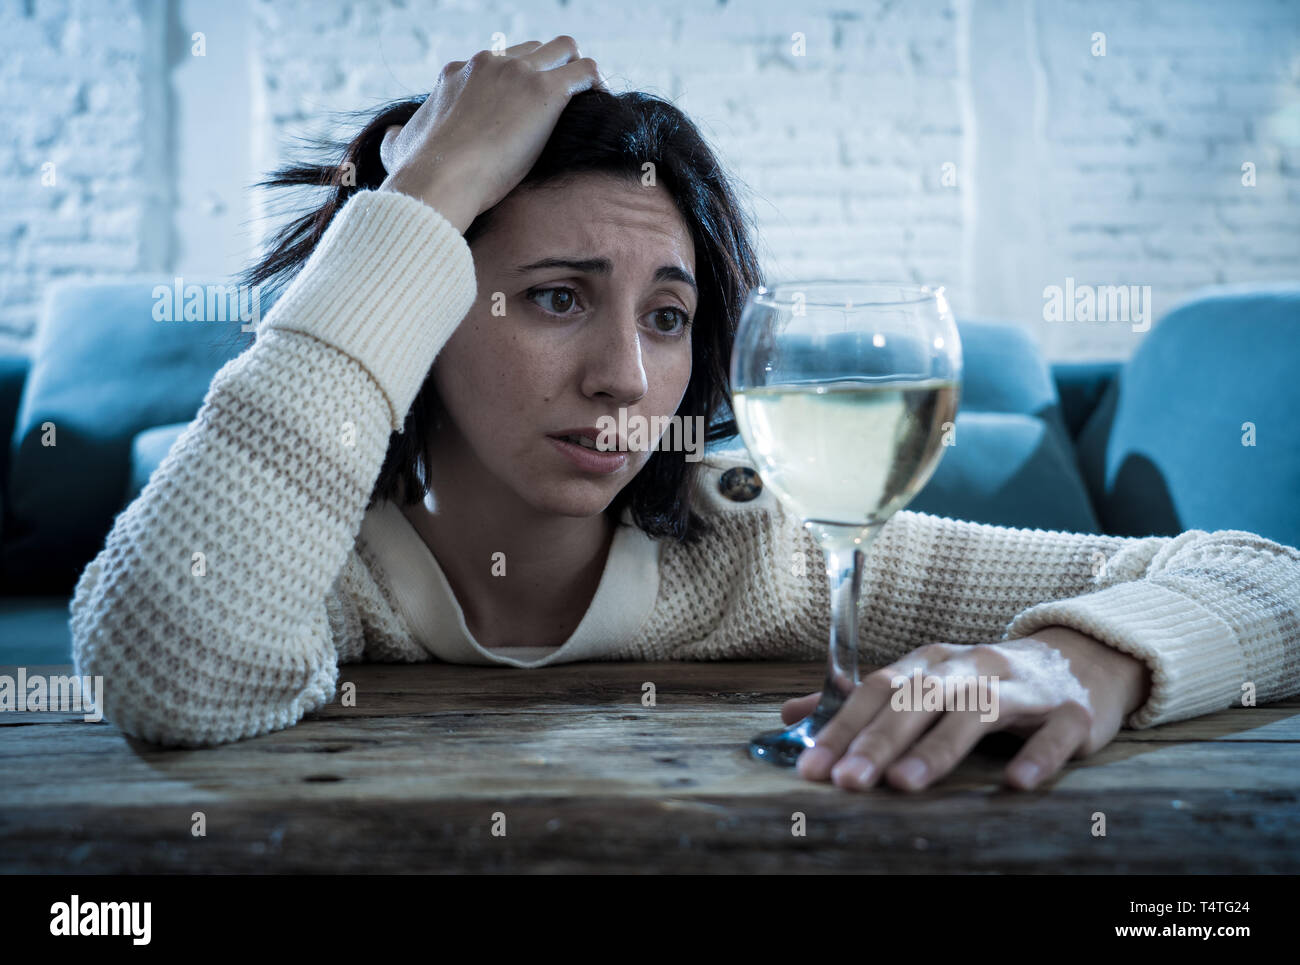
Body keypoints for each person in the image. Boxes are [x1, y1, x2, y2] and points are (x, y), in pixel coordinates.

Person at [70, 36, 1300, 794]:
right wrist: (427, 188)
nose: (623, 376)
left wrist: (1074, 658)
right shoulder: (301, 553)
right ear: (418, 306)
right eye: (555, 299)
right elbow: (163, 667)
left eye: (667, 317)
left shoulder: (757, 552)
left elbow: (1269, 581)